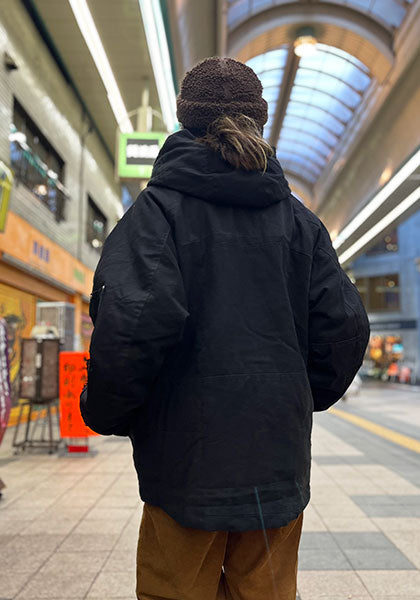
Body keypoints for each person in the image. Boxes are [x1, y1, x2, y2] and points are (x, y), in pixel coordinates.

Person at [80, 57, 370, 600]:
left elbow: (129, 327)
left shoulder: (156, 214)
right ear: (258, 120)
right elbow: (345, 327)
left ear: (184, 120)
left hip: (184, 463)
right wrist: (293, 395)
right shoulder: (300, 222)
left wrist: (106, 411)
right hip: (276, 462)